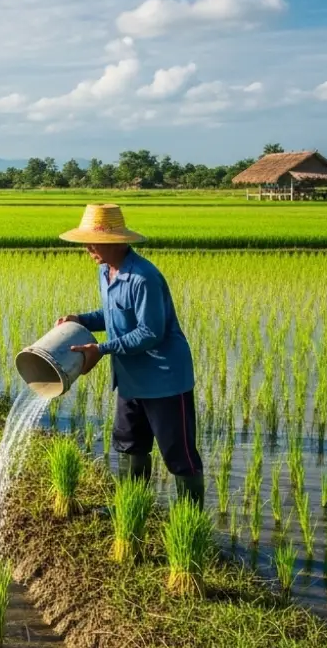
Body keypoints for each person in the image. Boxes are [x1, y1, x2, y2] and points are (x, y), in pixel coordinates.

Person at [54, 203, 204, 507]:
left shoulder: (143, 277)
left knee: (179, 454)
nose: (87, 248)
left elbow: (150, 332)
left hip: (164, 379)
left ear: (115, 241)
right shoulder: (105, 271)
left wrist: (101, 349)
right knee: (129, 444)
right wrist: (81, 319)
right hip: (131, 377)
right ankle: (131, 509)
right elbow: (113, 316)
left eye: (92, 242)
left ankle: (191, 522)